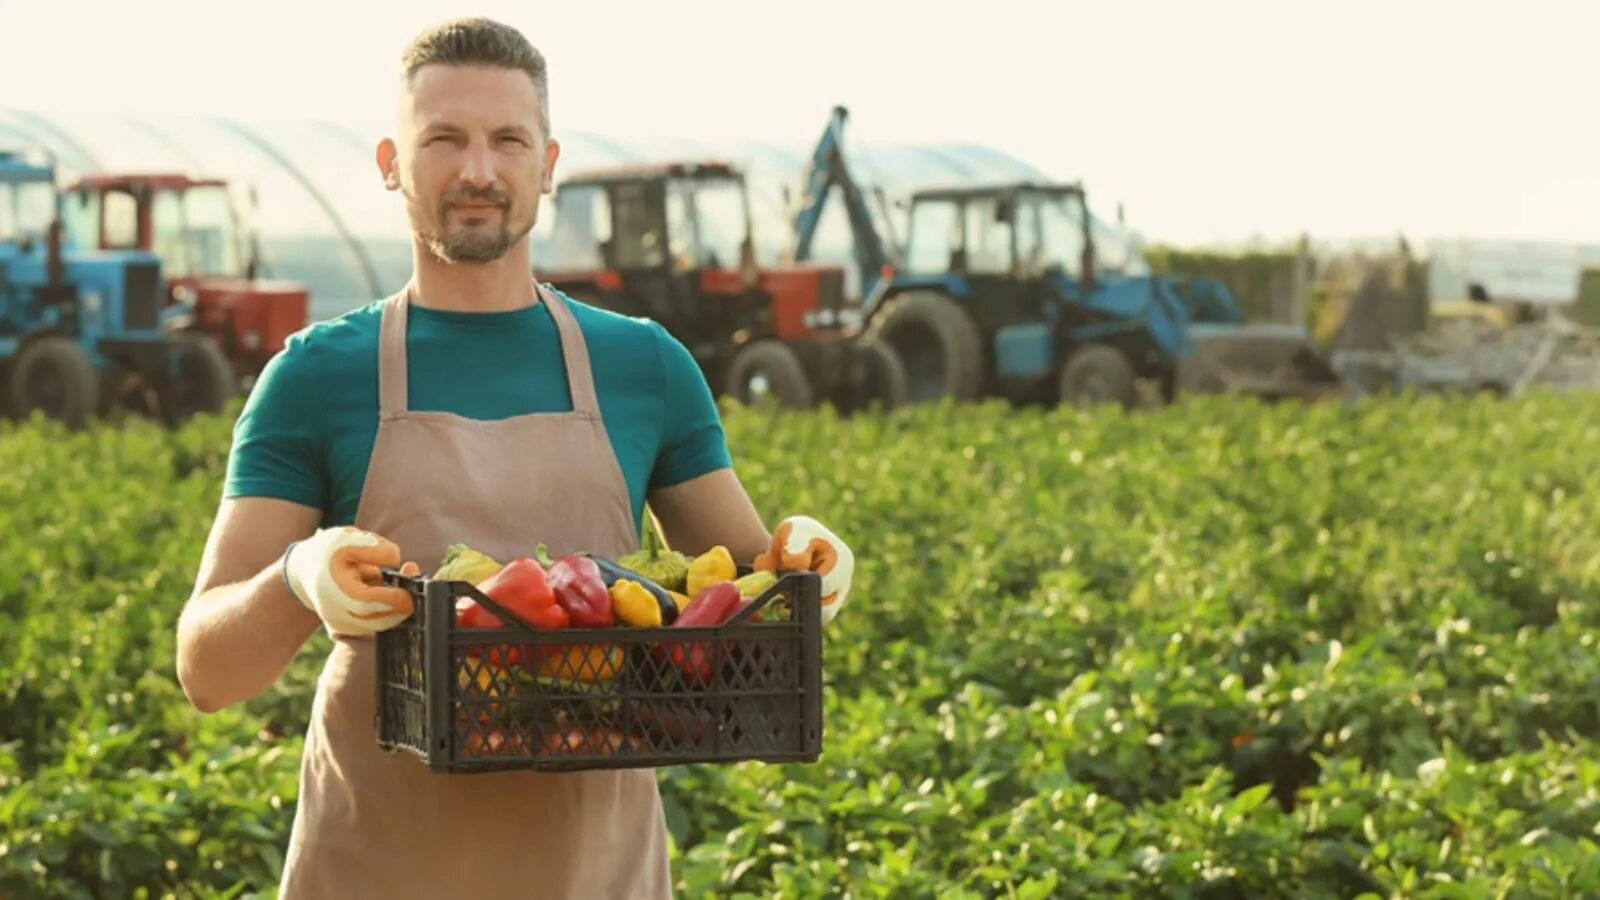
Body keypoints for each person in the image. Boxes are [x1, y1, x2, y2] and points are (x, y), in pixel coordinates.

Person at [173, 17, 854, 899]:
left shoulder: (644, 366)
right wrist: (298, 578)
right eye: (443, 139)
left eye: (508, 140)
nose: (478, 171)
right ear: (390, 162)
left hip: (597, 875)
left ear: (548, 160)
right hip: (377, 867)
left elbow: (746, 618)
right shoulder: (314, 375)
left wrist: (811, 581)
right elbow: (207, 671)